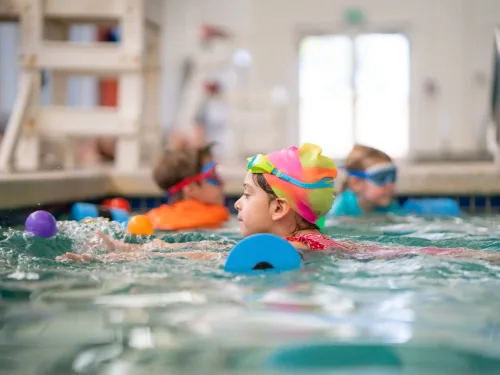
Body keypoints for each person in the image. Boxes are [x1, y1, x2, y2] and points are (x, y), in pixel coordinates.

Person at [56, 143, 500, 264]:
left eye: (246, 196)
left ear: (280, 210)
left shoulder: (297, 246)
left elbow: (204, 255)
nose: (235, 206)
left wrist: (130, 255)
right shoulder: (308, 240)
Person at [328, 144, 402, 217]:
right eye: (381, 177)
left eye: (393, 176)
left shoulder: (389, 207)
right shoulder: (338, 210)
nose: (390, 184)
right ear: (356, 183)